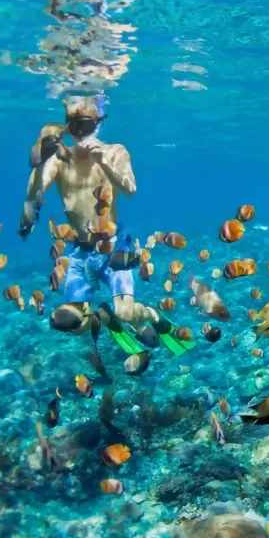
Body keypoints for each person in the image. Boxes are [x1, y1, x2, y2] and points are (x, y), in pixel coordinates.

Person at [25, 95, 168, 349]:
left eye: (87, 125)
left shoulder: (115, 151)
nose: (81, 133)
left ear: (99, 123)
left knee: (125, 312)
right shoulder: (59, 159)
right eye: (74, 126)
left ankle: (149, 318)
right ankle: (107, 316)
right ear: (67, 127)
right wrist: (40, 161)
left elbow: (131, 188)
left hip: (112, 247)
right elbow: (34, 193)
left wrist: (103, 161)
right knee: (74, 324)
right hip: (79, 250)